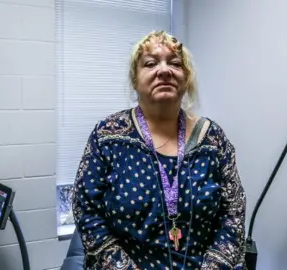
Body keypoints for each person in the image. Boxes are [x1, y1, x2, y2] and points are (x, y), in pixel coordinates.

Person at [72, 30, 247, 270]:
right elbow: (86, 208)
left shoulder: (213, 139)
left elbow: (234, 212)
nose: (164, 70)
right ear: (135, 80)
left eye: (175, 63)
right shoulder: (107, 136)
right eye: (151, 63)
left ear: (186, 78)